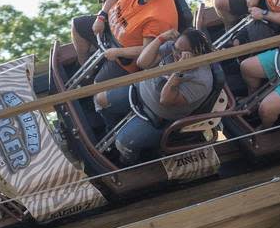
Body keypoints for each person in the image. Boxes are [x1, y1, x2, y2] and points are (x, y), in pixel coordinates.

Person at [92, 28, 215, 165]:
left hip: (157, 117)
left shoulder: (201, 80)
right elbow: (142, 62)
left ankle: (128, 163)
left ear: (197, 54)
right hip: (140, 90)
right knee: (100, 100)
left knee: (123, 143)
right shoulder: (174, 48)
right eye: (175, 48)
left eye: (181, 53)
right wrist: (161, 38)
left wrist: (180, 70)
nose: (176, 53)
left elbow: (165, 100)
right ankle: (112, 127)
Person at [71, 0, 180, 81]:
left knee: (99, 84)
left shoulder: (159, 16)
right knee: (77, 25)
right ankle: (86, 71)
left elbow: (146, 51)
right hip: (107, 30)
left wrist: (118, 52)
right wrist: (101, 16)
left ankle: (92, 85)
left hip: (124, 57)